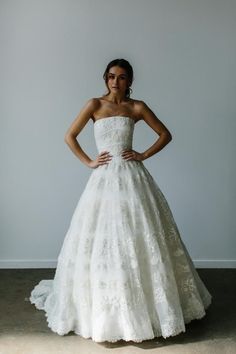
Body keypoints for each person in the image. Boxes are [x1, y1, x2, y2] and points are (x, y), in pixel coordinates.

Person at [30, 58, 212, 343]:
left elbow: (165, 134)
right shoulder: (94, 105)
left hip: (132, 177)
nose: (116, 82)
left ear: (130, 81)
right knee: (104, 236)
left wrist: (142, 154)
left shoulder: (136, 107)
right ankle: (105, 301)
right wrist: (89, 161)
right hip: (103, 180)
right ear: (105, 78)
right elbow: (70, 136)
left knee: (137, 235)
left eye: (123, 77)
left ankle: (146, 301)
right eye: (112, 76)